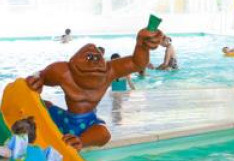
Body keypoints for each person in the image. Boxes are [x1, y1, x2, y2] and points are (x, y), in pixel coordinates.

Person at [26, 26, 163, 149]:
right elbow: (40, 75)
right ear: (73, 62)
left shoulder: (109, 71)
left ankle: (80, 141)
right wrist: (36, 81)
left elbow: (137, 63)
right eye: (89, 57)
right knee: (42, 105)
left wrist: (142, 45)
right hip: (64, 118)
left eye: (98, 58)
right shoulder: (63, 71)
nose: (94, 63)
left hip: (88, 123)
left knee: (104, 134)